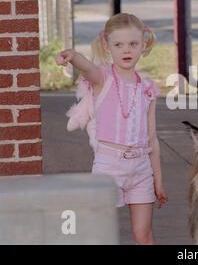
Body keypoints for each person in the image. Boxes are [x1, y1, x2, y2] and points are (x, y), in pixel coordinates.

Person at [56, 13, 168, 245]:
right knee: (100, 234)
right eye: (119, 45)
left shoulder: (148, 89)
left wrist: (158, 181)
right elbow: (86, 67)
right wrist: (73, 56)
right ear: (107, 47)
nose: (126, 50)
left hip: (141, 169)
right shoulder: (102, 78)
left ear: (143, 45)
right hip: (109, 166)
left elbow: (152, 140)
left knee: (143, 234)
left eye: (133, 44)